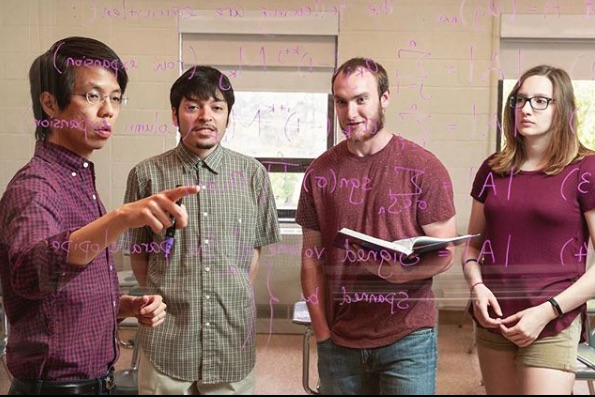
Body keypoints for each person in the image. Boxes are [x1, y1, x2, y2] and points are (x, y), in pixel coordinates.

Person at [0, 36, 200, 395]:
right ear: (50, 103)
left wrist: (122, 305)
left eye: (116, 98)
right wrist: (122, 218)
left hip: (93, 381)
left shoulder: (77, 178)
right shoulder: (35, 186)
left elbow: (63, 295)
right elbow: (32, 274)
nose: (108, 110)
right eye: (92, 96)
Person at [295, 57, 457, 395]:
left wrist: (400, 273)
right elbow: (311, 261)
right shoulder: (319, 172)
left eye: (361, 99)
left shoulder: (424, 167)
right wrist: (322, 332)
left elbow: (445, 253)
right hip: (340, 338)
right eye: (341, 102)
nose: (350, 112)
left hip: (408, 338)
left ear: (384, 98)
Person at [121, 65, 281, 395]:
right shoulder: (146, 175)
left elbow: (252, 255)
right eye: (193, 106)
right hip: (167, 341)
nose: (205, 116)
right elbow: (138, 257)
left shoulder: (253, 175)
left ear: (228, 116)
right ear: (175, 114)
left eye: (217, 107)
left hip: (231, 341)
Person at [461, 64, 595, 395]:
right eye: (520, 100)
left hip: (551, 321)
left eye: (540, 101)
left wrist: (547, 311)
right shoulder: (493, 168)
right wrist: (477, 287)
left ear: (561, 108)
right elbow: (472, 248)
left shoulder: (586, 168)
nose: (525, 109)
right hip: (494, 319)